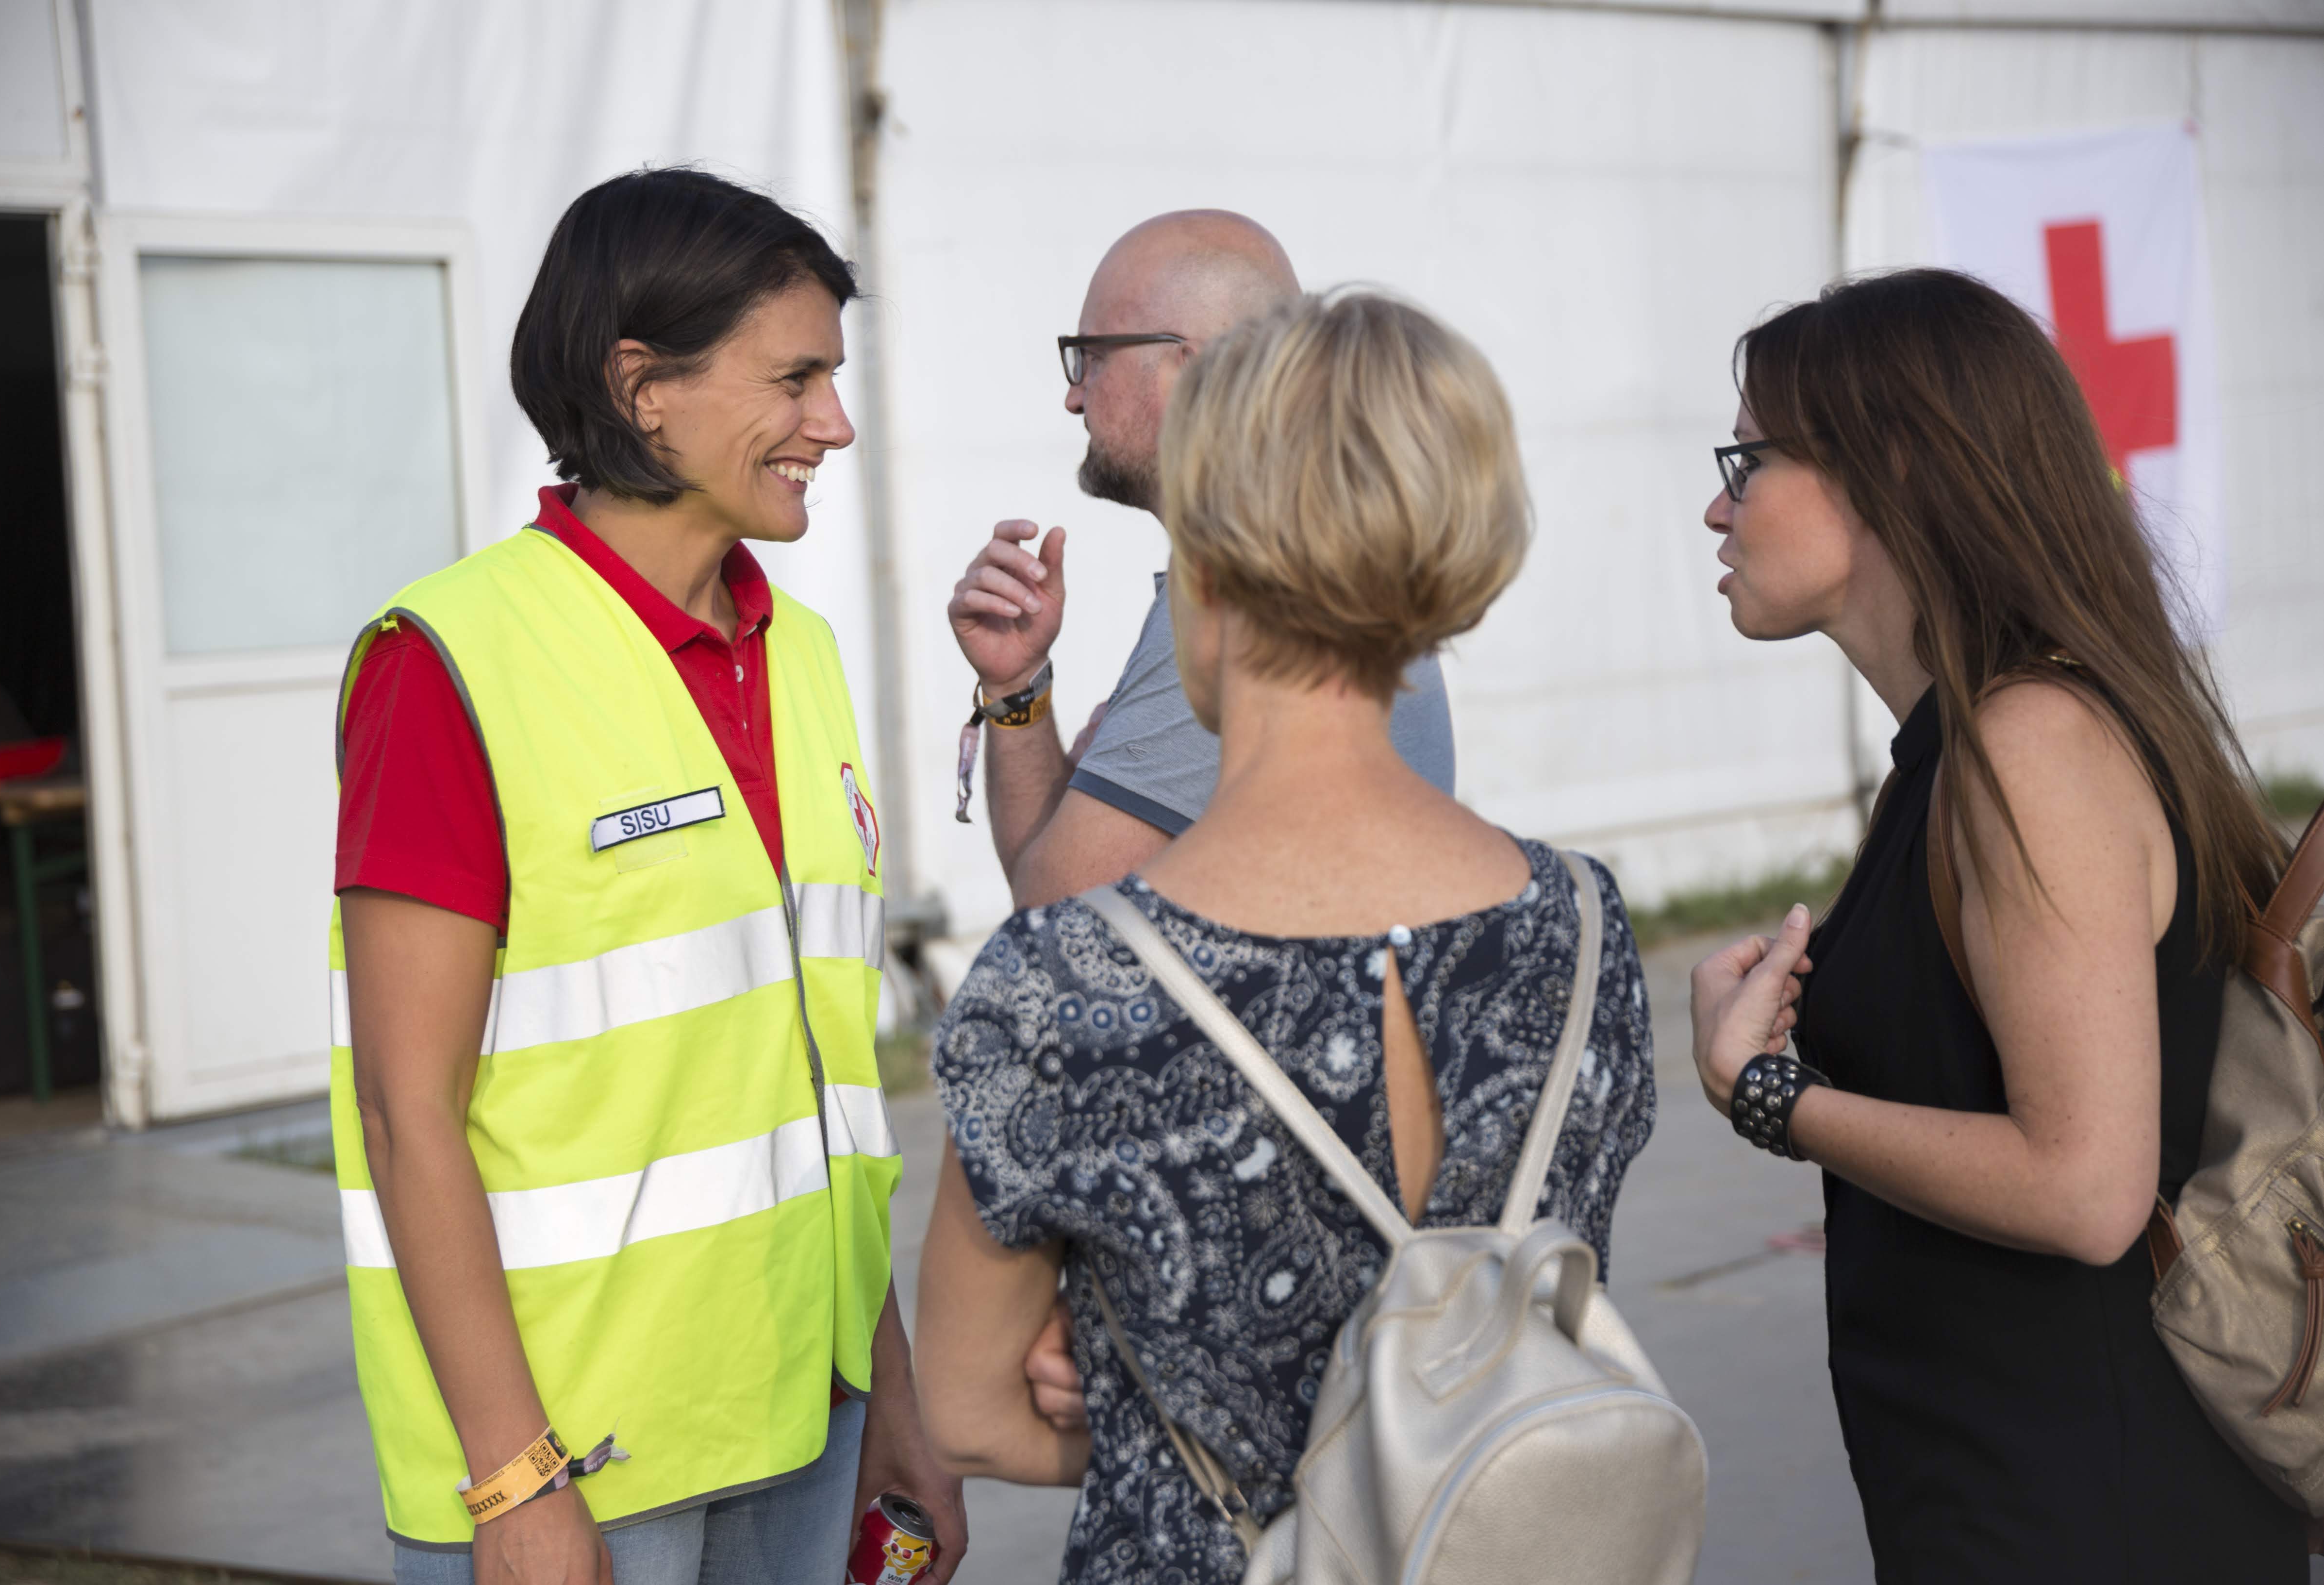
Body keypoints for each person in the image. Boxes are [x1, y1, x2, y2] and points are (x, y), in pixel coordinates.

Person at [914, 291, 1657, 1585]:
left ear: (1198, 566)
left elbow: (970, 1410)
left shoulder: (1057, 990)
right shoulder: (1581, 928)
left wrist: (1144, 1395)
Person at [330, 169, 964, 1585]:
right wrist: (513, 1483)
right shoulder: (449, 665)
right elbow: (402, 1107)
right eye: (795, 378)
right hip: (577, 1467)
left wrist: (893, 1409)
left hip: (802, 1423)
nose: (834, 424)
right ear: (643, 385)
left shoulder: (796, 654)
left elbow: (821, 1093)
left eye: (835, 379)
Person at [1690, 268, 2300, 1581]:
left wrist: (1768, 1094)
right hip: (2016, 1483)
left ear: (1889, 463)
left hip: (2090, 1505)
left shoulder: (2028, 743)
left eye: (1748, 459)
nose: (1716, 506)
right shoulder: (1970, 744)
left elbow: (2082, 1185)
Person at [946, 210, 1455, 912]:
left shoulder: (1253, 600)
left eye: (1092, 355)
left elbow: (1058, 926)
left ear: (1197, 367)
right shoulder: (1329, 558)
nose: (1073, 394)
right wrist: (1017, 688)